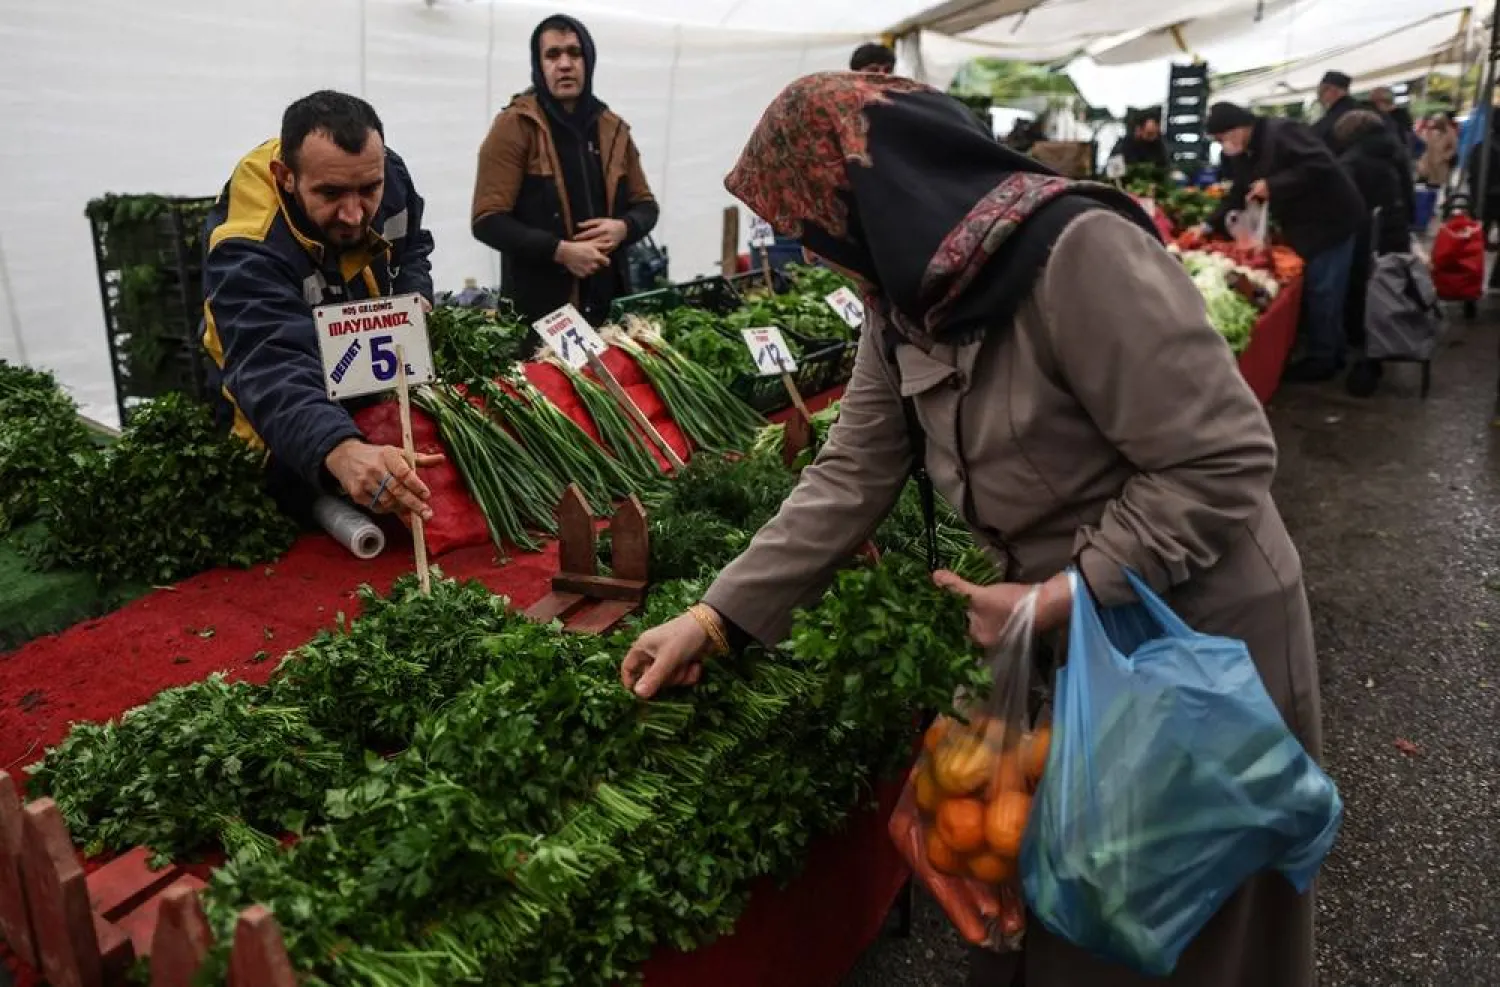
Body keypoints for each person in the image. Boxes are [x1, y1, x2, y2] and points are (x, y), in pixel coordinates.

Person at [620, 71, 1322, 987]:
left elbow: (1220, 460)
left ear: (861, 204)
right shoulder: (908, 297)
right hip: (1057, 636)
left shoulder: (1079, 253)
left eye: (809, 232)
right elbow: (853, 469)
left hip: (1192, 636)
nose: (812, 257)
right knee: (1071, 914)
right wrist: (715, 616)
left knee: (1176, 929)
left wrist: (1059, 596)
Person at [201, 90, 442, 524]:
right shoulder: (249, 244)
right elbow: (270, 365)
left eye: (368, 189)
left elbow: (412, 250)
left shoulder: (387, 173)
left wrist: (414, 296)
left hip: (361, 390)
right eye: (330, 194)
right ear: (286, 176)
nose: (353, 214)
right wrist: (340, 449)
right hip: (278, 428)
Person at [471, 14, 659, 329]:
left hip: (610, 309)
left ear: (589, 60)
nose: (565, 64)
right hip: (541, 316)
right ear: (538, 64)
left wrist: (623, 228)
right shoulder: (515, 126)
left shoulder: (613, 128)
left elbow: (646, 205)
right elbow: (487, 220)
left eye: (574, 52)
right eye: (553, 54)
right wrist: (561, 252)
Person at [1204, 101, 1365, 382]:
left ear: (1240, 127)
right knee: (1320, 287)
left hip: (1331, 218)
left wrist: (1274, 185)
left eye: (1222, 138)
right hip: (1305, 223)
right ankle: (1332, 351)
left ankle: (1323, 360)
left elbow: (1321, 164)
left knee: (1324, 289)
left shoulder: (1283, 132)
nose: (1223, 146)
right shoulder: (1244, 153)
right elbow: (1238, 192)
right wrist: (1208, 224)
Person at [1334, 109, 1414, 397]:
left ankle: (1367, 357)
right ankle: (1381, 348)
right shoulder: (1395, 150)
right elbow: (1409, 193)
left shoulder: (1354, 160)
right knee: (1388, 291)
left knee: (1362, 294)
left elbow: (1345, 203)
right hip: (1395, 229)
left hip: (1368, 235)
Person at [1312, 70, 1358, 148]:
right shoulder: (1359, 109)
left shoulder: (1340, 114)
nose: (1319, 95)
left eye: (1322, 91)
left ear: (1334, 91)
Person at [1418, 111, 1458, 189]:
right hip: (1430, 163)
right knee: (1430, 185)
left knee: (1441, 186)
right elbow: (1424, 144)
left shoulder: (1450, 131)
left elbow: (1454, 147)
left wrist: (1445, 156)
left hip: (1442, 164)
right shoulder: (1429, 131)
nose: (1434, 123)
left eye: (1436, 121)